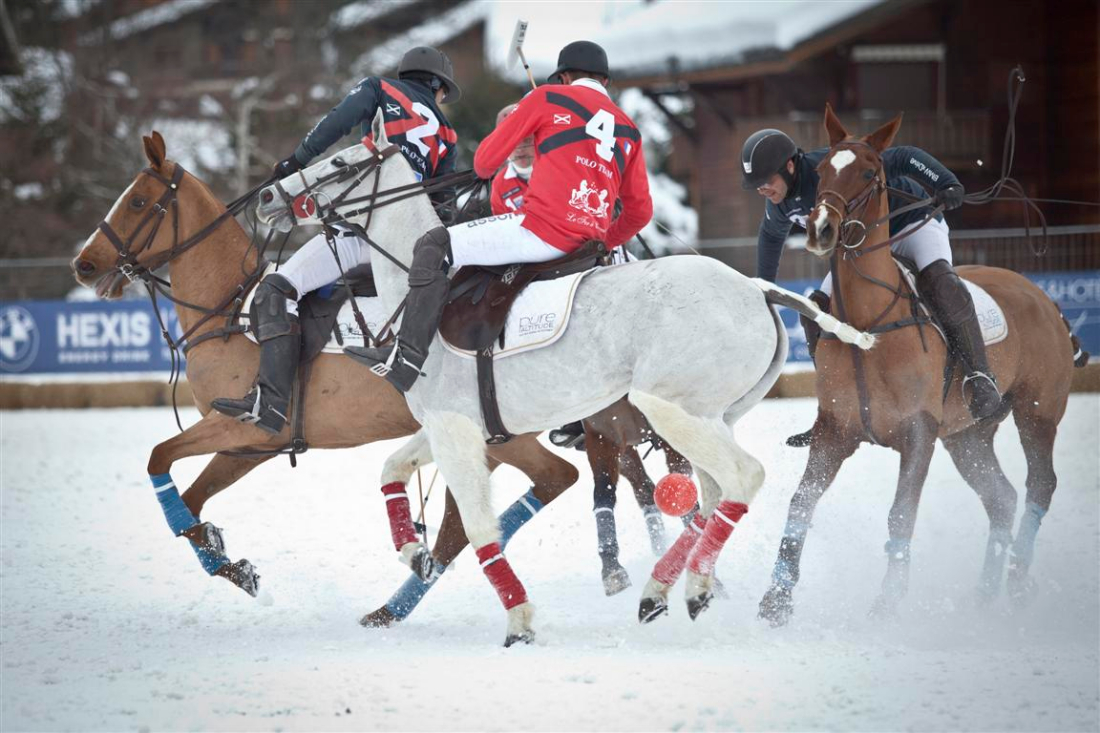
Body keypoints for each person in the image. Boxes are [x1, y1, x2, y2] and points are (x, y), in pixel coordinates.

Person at [345, 40, 653, 393]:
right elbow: (640, 211)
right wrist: (602, 241)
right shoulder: (629, 128)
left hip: (539, 233)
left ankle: (407, 360)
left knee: (432, 244)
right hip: (590, 246)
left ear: (564, 77)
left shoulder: (548, 97)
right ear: (605, 81)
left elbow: (484, 163)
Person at [212, 47, 461, 434]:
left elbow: (335, 124)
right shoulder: (447, 134)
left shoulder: (381, 89)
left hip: (359, 235)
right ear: (438, 86)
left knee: (276, 290)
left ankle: (271, 403)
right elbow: (442, 205)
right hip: (410, 249)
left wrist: (296, 162)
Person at [742, 128, 1001, 442]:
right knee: (815, 310)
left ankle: (979, 376)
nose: (761, 189)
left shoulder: (837, 164)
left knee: (942, 284)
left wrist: (944, 182)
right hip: (866, 248)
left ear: (791, 167)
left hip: (914, 225)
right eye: (756, 185)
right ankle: (831, 410)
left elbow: (903, 156)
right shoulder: (780, 202)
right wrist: (766, 289)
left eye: (765, 180)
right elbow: (771, 238)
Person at [489, 104, 534, 215]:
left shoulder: (556, 168)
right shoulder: (499, 185)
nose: (519, 150)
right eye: (512, 143)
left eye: (526, 141)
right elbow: (502, 228)